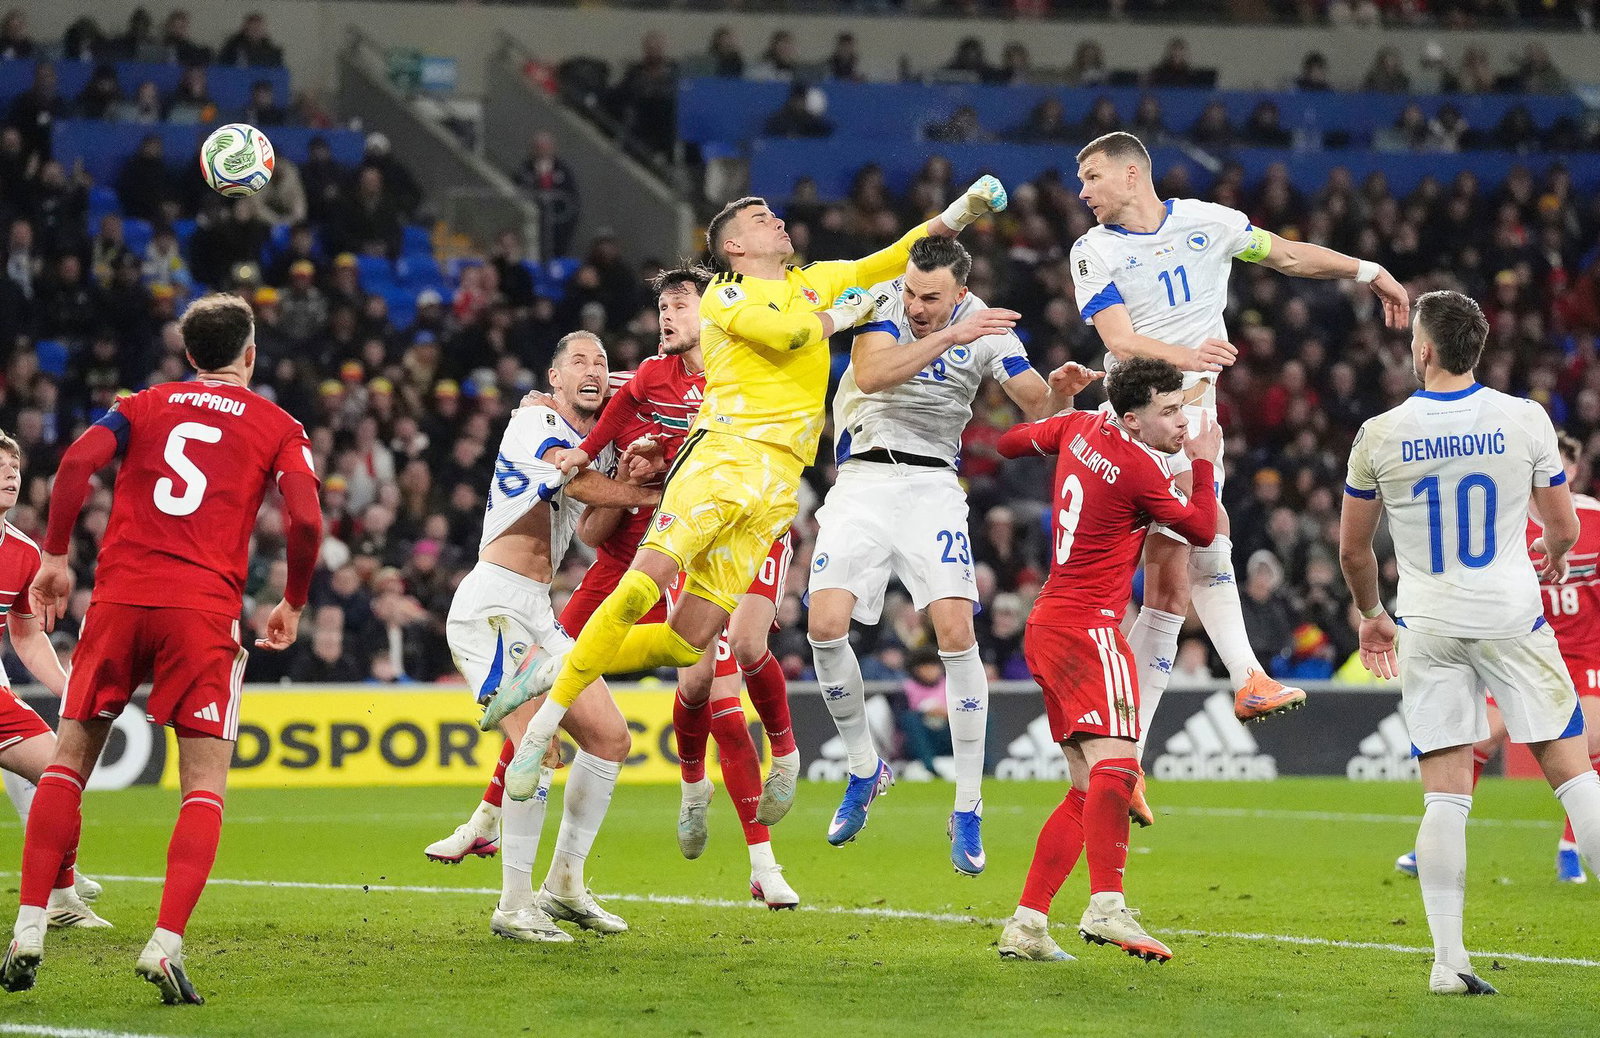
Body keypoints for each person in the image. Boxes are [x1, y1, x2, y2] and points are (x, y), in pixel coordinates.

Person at [489, 178, 1007, 815]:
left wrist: (962, 210)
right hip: (721, 460)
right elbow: (788, 336)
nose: (778, 220)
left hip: (776, 487)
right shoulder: (727, 296)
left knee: (685, 643)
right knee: (640, 588)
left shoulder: (814, 280)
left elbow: (896, 254)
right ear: (735, 245)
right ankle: (542, 726)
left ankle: (546, 668)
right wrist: (848, 313)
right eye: (762, 218)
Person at [431, 268, 801, 909]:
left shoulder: (735, 373)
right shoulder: (614, 407)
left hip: (712, 545)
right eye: (662, 306)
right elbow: (593, 525)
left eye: (679, 304)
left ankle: (754, 847)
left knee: (708, 684)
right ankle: (493, 832)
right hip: (625, 564)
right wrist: (635, 482)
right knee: (553, 711)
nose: (666, 316)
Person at [1, 294, 323, 1004]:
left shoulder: (143, 404)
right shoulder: (278, 424)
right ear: (250, 355)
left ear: (189, 354)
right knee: (203, 784)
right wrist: (294, 601)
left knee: (68, 761)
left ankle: (28, 928)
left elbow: (78, 460)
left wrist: (55, 556)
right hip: (201, 610)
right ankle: (164, 944)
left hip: (119, 600)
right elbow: (305, 519)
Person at [1069, 131, 1409, 771]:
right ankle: (1247, 676)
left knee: (1168, 593)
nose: (1083, 191)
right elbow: (1118, 339)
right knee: (1209, 537)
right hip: (1143, 421)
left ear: (1132, 174)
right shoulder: (1092, 251)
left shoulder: (1209, 223)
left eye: (1092, 176)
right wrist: (1188, 355)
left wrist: (1368, 272)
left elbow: (1289, 256)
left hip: (1191, 416)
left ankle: (1127, 757)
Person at [1339, 290, 1600, 996]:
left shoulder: (1380, 433)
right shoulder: (1525, 418)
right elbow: (1564, 525)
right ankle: (1450, 963)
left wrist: (1371, 613)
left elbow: (1354, 550)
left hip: (1427, 625)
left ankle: (1448, 962)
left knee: (1446, 797)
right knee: (1576, 778)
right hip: (1513, 618)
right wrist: (1554, 553)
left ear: (1424, 350)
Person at [807, 236, 1075, 871]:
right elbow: (871, 374)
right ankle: (864, 768)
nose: (916, 306)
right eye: (912, 291)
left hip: (932, 487)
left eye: (931, 297)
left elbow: (1038, 406)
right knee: (823, 626)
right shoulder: (880, 302)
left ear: (962, 291)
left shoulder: (986, 326)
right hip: (863, 480)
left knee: (956, 633)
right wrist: (953, 335)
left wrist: (1061, 392)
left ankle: (968, 806)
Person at [993, 356, 1220, 965]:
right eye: (1168, 412)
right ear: (1132, 418)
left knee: (1083, 787)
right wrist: (1203, 461)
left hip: (1047, 624)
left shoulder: (1079, 428)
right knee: (1119, 767)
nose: (1182, 422)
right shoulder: (1139, 469)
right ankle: (1106, 904)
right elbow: (1201, 528)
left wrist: (1060, 405)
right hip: (1088, 629)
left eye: (1182, 409)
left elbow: (1010, 443)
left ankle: (1028, 924)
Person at [443, 330, 659, 944]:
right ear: (554, 378)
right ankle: (514, 905)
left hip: (538, 609)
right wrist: (651, 493)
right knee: (537, 750)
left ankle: (564, 883)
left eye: (602, 362)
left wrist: (632, 468)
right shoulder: (533, 421)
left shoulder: (597, 443)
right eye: (579, 362)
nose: (594, 370)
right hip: (493, 606)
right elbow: (577, 483)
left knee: (611, 739)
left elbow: (591, 528)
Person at [1395, 430, 1600, 884]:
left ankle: (1571, 849)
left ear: (1573, 471)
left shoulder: (1592, 520)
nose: (1551, 472)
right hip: (1522, 649)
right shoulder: (1504, 521)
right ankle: (1434, 844)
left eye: (1561, 464)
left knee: (1590, 744)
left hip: (1584, 654)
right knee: (1482, 738)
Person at [0, 431, 106, 930]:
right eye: (0, 468)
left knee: (60, 772)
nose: (10, 476)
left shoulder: (23, 553)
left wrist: (68, 689)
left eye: (14, 469)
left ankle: (61, 897)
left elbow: (25, 634)